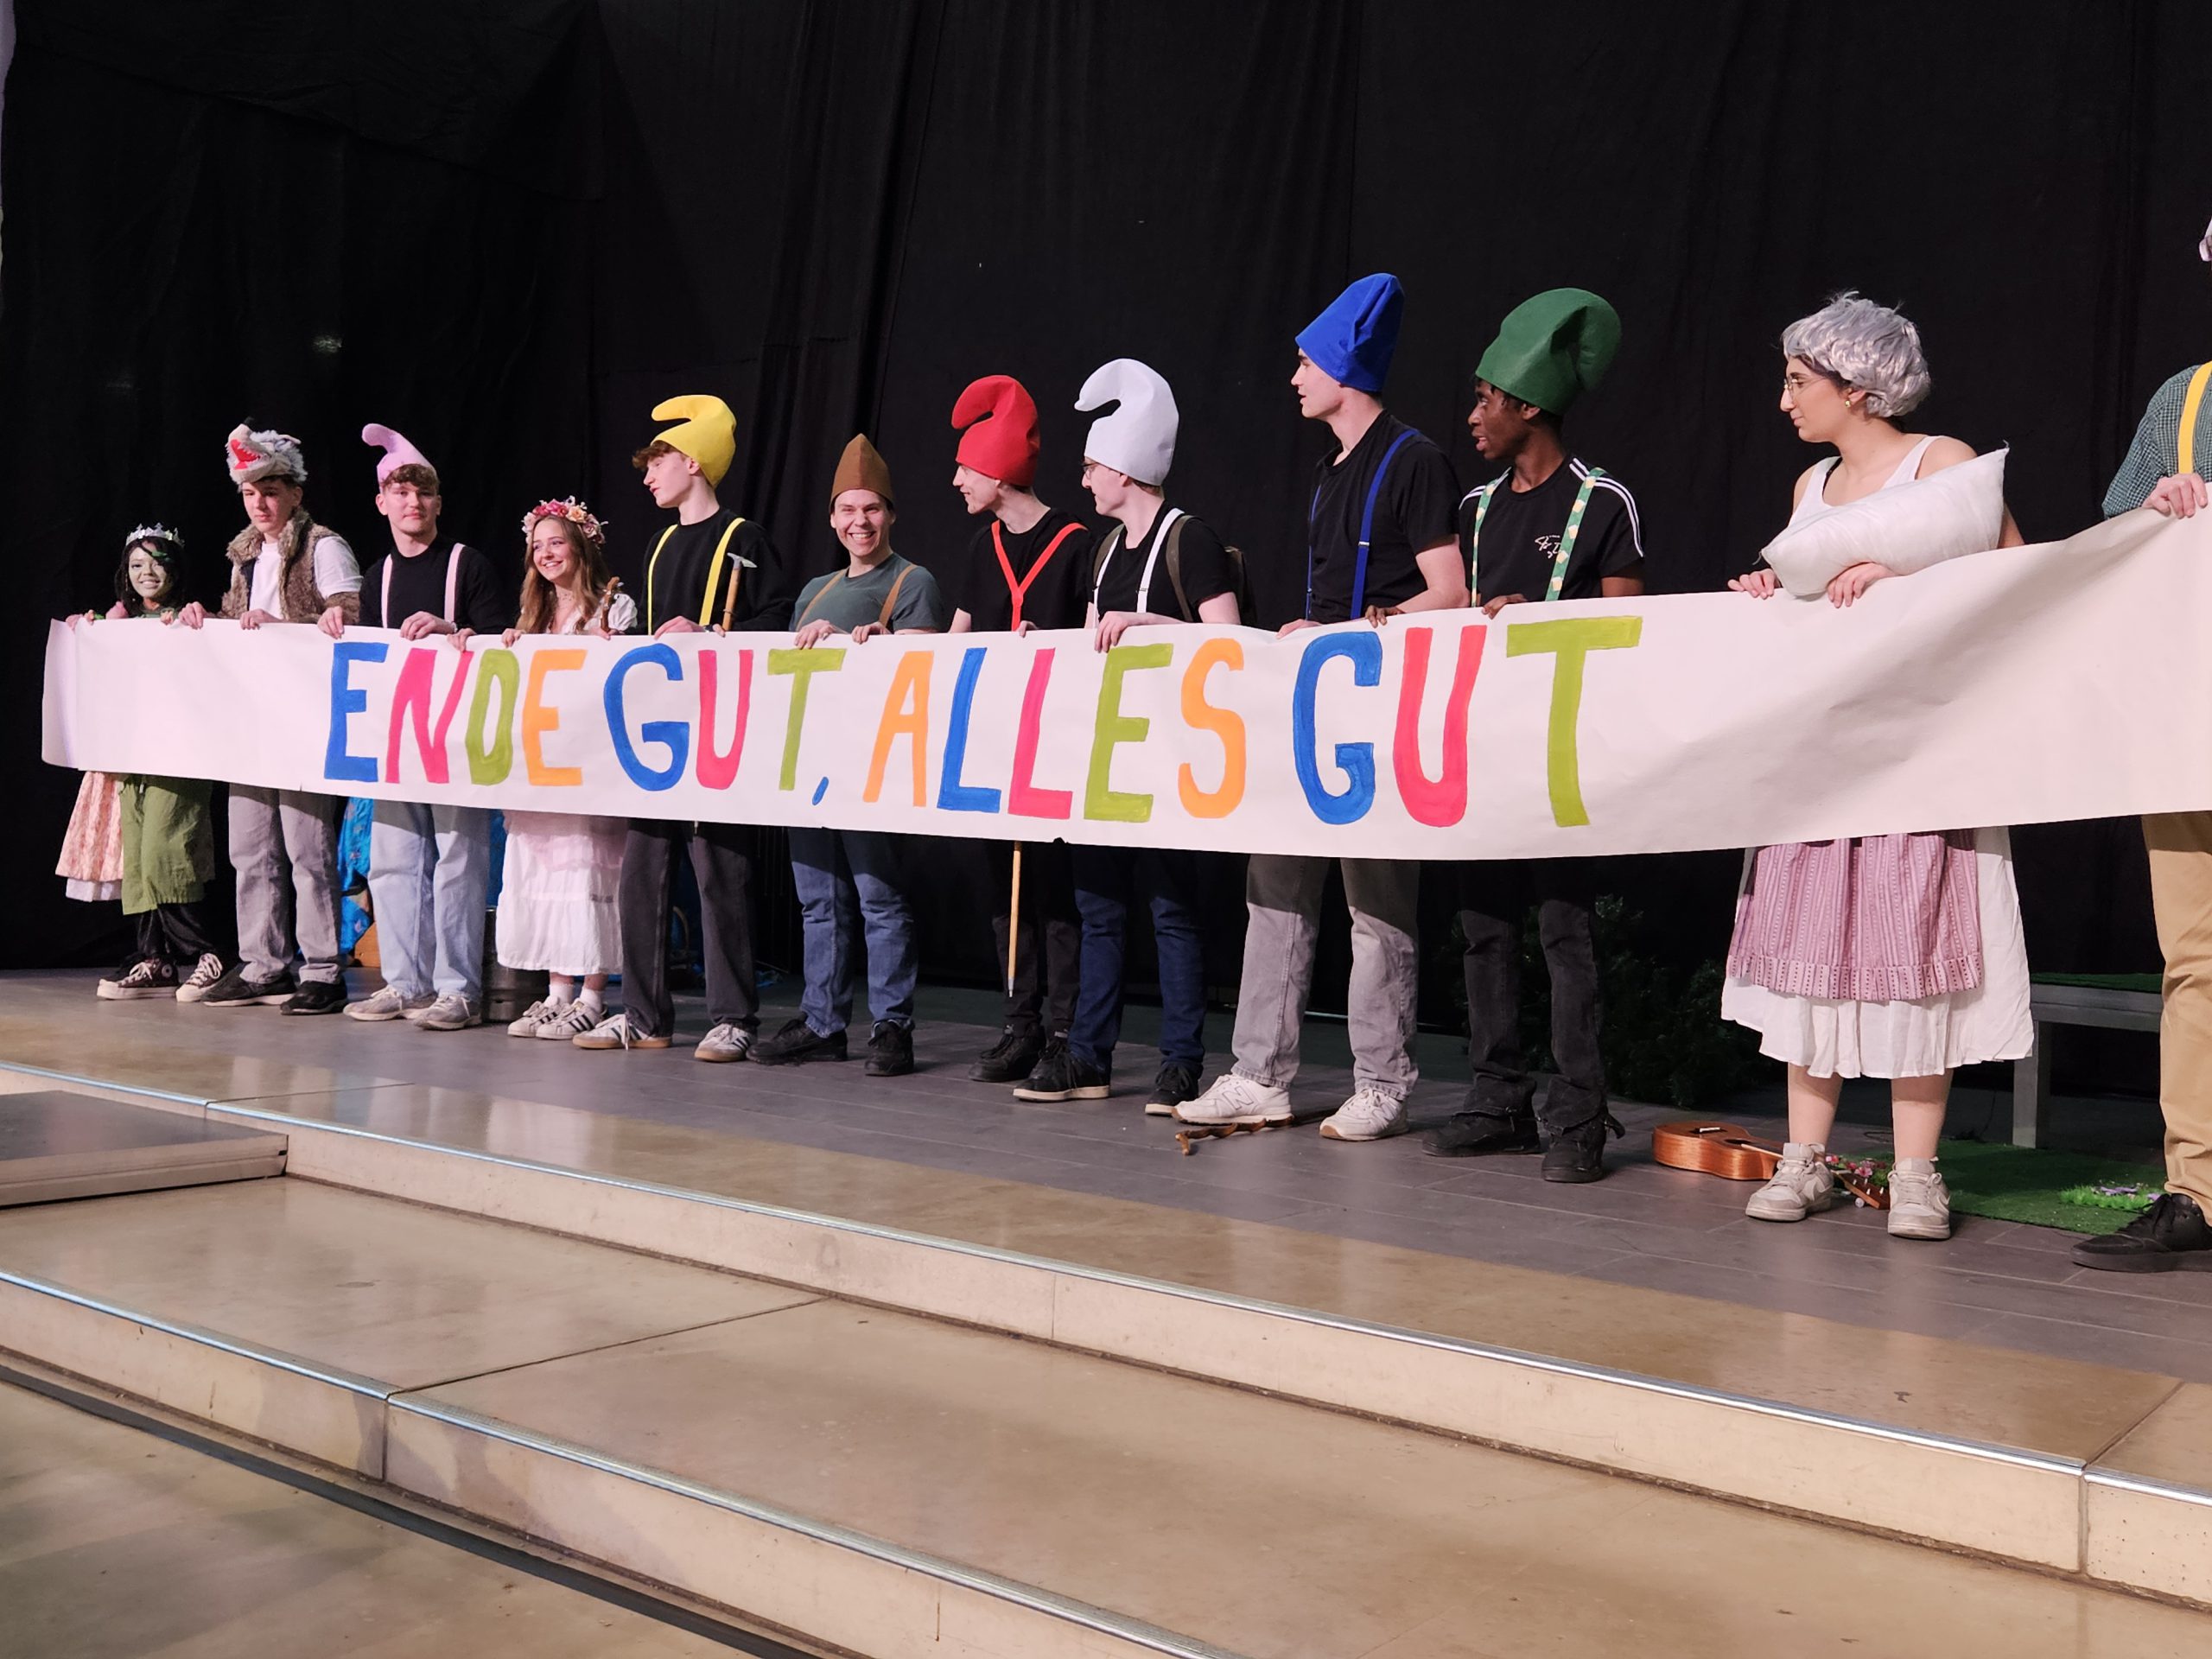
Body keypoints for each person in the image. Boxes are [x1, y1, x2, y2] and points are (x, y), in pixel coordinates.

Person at [1726, 293, 2030, 1243]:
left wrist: (1907, 583)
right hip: (1823, 760)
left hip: (1914, 756)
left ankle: (1916, 1173)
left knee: (1912, 949)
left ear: (1856, 388)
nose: (1785, 401)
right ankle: (1805, 1158)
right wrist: (1773, 593)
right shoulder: (1811, 484)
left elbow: (2014, 574)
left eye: (1798, 382)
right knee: (1813, 947)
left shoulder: (1938, 463)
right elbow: (1811, 607)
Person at [1177, 273, 1465, 1142]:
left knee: (1376, 904)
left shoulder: (1411, 459)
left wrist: (1348, 629)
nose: (1294, 376)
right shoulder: (1327, 470)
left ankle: (1382, 1082)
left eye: (1306, 362)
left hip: (1378, 709)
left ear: (1345, 369)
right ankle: (1258, 1074)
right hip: (1316, 708)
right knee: (1273, 887)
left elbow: (1449, 591)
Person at [1425, 289, 1646, 1182]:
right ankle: (1497, 1099)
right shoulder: (1476, 509)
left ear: (1527, 405)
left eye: (1485, 399)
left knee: (1563, 934)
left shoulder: (1602, 502)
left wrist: (1543, 622)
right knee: (1482, 930)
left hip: (1563, 760)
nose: (1472, 415)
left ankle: (1578, 1117)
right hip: (1487, 753)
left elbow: (1631, 636)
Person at [1012, 359, 1238, 1113]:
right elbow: (1091, 643)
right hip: (1109, 758)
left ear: (1124, 469)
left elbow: (1231, 642)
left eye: (1090, 466)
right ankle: (1088, 1055)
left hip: (1172, 756)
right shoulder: (1104, 550)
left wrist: (1149, 624)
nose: (1082, 480)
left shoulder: (1191, 540)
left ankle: (1181, 1063)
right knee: (1100, 909)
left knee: (1172, 911)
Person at [2075, 216, 2212, 1272]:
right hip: (2188, 714)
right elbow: (2108, 537)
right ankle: (2195, 1189)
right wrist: (2153, 511)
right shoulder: (2185, 397)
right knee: (2195, 960)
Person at [575, 395, 793, 1058]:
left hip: (715, 733)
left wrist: (712, 632)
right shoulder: (659, 543)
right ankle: (645, 1015)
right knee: (642, 875)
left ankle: (734, 1016)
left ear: (692, 462)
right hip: (659, 735)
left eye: (658, 462)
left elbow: (777, 622)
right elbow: (653, 634)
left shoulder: (742, 538)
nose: (648, 476)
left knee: (720, 874)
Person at [751, 435, 945, 1078]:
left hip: (871, 766)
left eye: (871, 509)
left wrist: (880, 643)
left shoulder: (913, 581)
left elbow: (926, 673)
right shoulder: (814, 589)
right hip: (812, 764)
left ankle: (892, 1027)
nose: (859, 521)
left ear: (890, 514)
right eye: (847, 510)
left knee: (878, 899)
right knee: (818, 902)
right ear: (832, 518)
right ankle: (822, 1023)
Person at [327, 425, 510, 1031]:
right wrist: (329, 625)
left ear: (438, 503)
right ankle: (405, 983)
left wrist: (453, 627)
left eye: (423, 492)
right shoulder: (376, 575)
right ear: (381, 502)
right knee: (393, 861)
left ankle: (458, 990)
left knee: (459, 861)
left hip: (456, 740)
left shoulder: (466, 565)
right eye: (401, 493)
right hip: (398, 741)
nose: (413, 502)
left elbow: (506, 644)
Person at [173, 423, 359, 1014]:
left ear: (295, 494)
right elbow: (237, 621)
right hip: (252, 721)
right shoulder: (245, 554)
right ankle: (264, 965)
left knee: (308, 849)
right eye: (250, 493)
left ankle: (323, 969)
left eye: (270, 491)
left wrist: (299, 629)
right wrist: (206, 617)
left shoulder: (323, 546)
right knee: (251, 850)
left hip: (304, 718)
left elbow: (350, 617)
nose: (260, 503)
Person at [946, 374, 1094, 1084]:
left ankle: (1062, 1028)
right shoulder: (983, 547)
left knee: (1054, 890)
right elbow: (956, 638)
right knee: (1004, 888)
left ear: (998, 472)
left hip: (1055, 743)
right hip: (993, 744)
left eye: (966, 469)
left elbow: (1092, 638)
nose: (956, 482)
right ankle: (1020, 1023)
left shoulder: (1076, 543)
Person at [486, 498, 636, 1042]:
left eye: (557, 543)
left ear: (580, 547)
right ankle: (556, 992)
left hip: (587, 768)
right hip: (542, 769)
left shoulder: (613, 607)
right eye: (538, 545)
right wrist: (510, 647)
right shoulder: (533, 617)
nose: (547, 553)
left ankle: (592, 995)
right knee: (545, 875)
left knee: (586, 873)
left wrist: (605, 650)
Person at [65, 527, 227, 1003]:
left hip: (178, 755)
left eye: (158, 562)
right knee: (135, 856)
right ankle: (154, 958)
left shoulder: (191, 619)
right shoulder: (120, 625)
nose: (147, 573)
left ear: (175, 568)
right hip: (130, 754)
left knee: (165, 850)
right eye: (137, 565)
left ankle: (207, 954)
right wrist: (89, 633)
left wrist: (202, 623)